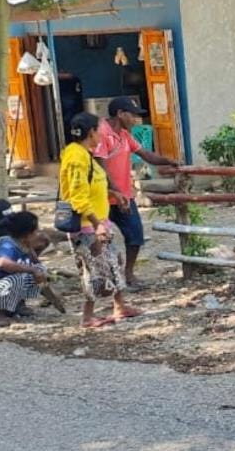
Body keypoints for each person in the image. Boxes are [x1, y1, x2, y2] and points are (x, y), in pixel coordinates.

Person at [59, 111, 141, 329]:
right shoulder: (76, 157)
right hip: (87, 226)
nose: (103, 135)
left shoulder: (86, 154)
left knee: (114, 261)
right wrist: (96, 225)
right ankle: (87, 316)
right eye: (100, 130)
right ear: (92, 132)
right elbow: (78, 197)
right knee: (93, 270)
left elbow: (95, 185)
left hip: (99, 221)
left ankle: (119, 305)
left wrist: (115, 195)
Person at [94, 96, 180, 288]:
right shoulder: (102, 133)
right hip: (102, 198)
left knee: (135, 235)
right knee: (100, 239)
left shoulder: (125, 135)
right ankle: (104, 278)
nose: (135, 120)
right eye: (132, 115)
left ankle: (128, 274)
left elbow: (145, 154)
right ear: (120, 114)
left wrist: (168, 160)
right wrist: (115, 191)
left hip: (124, 195)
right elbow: (100, 166)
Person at [0, 211, 48, 325]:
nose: (38, 234)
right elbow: (2, 262)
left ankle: (17, 305)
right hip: (2, 283)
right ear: (26, 234)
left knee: (40, 269)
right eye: (36, 231)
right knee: (16, 279)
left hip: (4, 285)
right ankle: (0, 313)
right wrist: (32, 270)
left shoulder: (24, 244)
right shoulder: (8, 244)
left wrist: (38, 269)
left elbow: (35, 263)